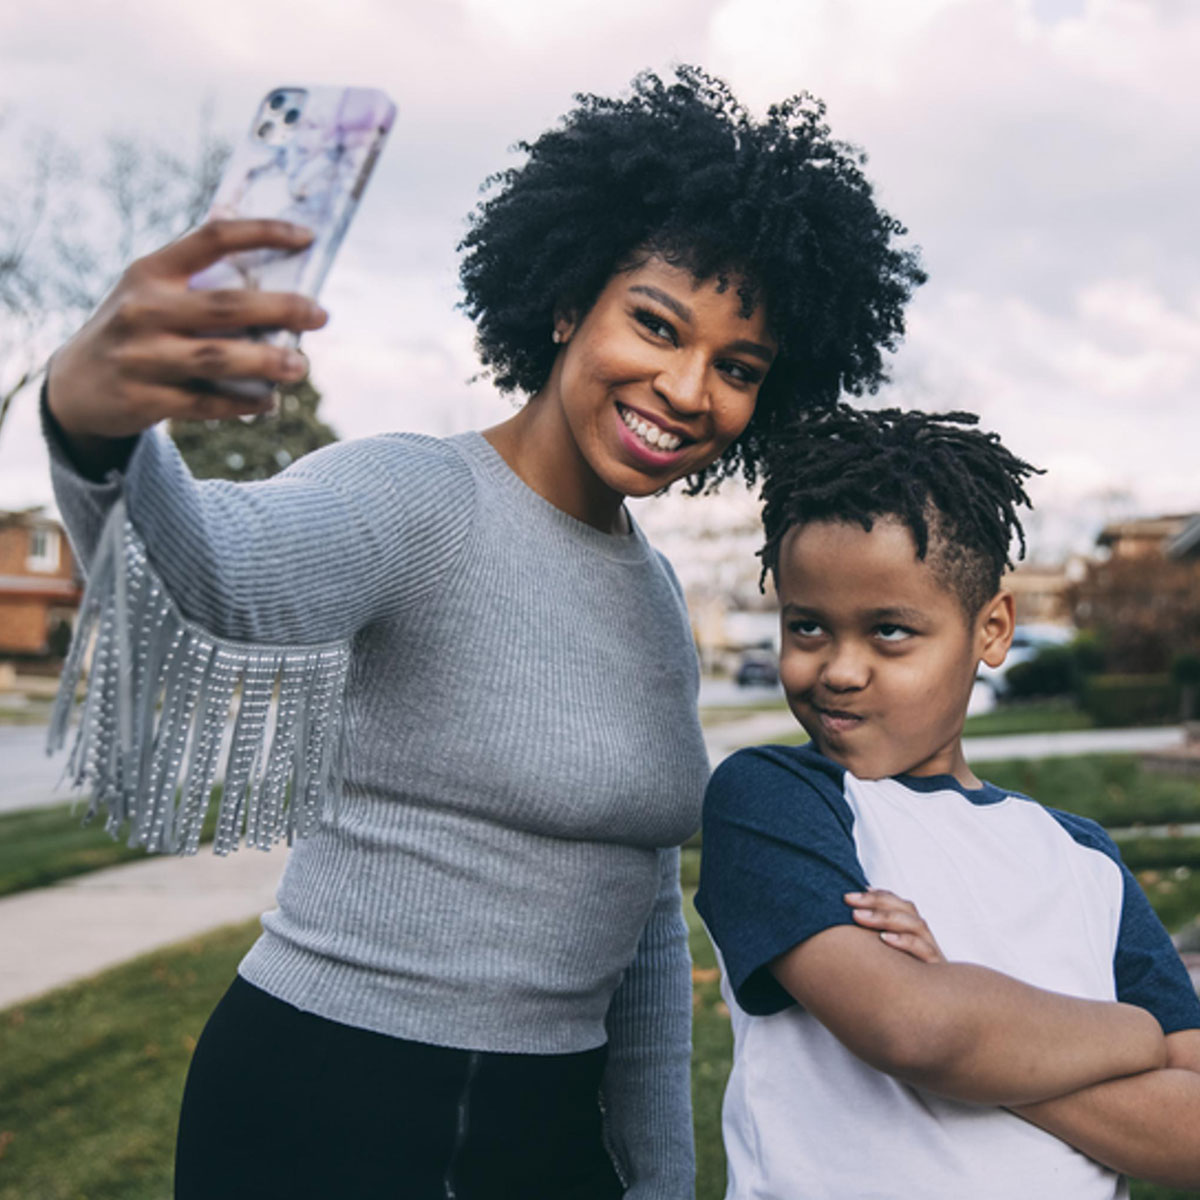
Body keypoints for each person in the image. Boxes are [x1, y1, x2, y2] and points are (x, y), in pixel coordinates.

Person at [40, 69, 924, 1199]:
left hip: (543, 1126)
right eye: (655, 322)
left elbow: (641, 908)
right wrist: (91, 418)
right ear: (567, 304)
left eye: (738, 367)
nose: (689, 387)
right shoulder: (420, 495)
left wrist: (656, 1177)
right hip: (326, 1104)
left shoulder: (654, 593)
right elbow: (223, 576)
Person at [697, 405, 1200, 1199]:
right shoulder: (776, 800)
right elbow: (913, 1027)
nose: (840, 670)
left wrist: (974, 1019)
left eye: (891, 631)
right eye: (808, 627)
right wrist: (1132, 1035)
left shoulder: (1081, 859)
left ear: (992, 629)